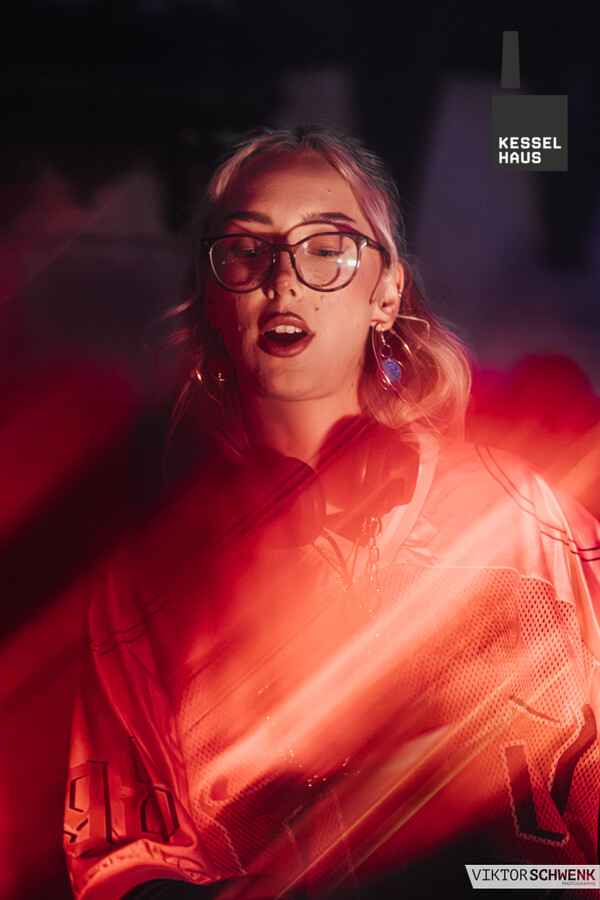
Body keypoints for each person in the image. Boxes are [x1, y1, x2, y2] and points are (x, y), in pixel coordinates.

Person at [64, 127, 600, 900]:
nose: (284, 279)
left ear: (387, 292)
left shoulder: (519, 515)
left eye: (327, 248)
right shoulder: (143, 587)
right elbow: (120, 860)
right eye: (247, 251)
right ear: (214, 297)